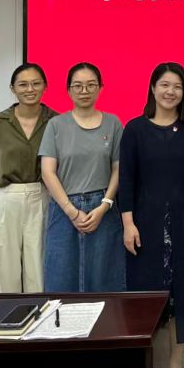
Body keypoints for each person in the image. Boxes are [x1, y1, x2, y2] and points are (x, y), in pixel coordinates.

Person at [119, 62, 184, 368]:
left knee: (182, 292)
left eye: (177, 86)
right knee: (148, 294)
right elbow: (126, 180)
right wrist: (128, 223)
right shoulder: (134, 129)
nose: (170, 92)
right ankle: (147, 358)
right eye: (164, 85)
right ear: (152, 88)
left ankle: (176, 362)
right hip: (145, 223)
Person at [39, 62, 124, 293]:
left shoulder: (113, 123)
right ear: (68, 90)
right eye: (77, 86)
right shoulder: (55, 125)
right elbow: (47, 171)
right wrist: (71, 211)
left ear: (100, 88)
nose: (84, 91)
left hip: (103, 207)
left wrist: (105, 205)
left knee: (104, 277)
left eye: (90, 85)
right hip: (64, 207)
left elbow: (118, 168)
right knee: (61, 278)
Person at [0, 62, 57, 293]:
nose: (30, 89)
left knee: (40, 268)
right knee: (3, 265)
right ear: (13, 88)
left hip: (43, 195)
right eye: (23, 84)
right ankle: (6, 313)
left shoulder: (56, 121)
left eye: (36, 83)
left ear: (45, 86)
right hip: (5, 196)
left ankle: (40, 313)